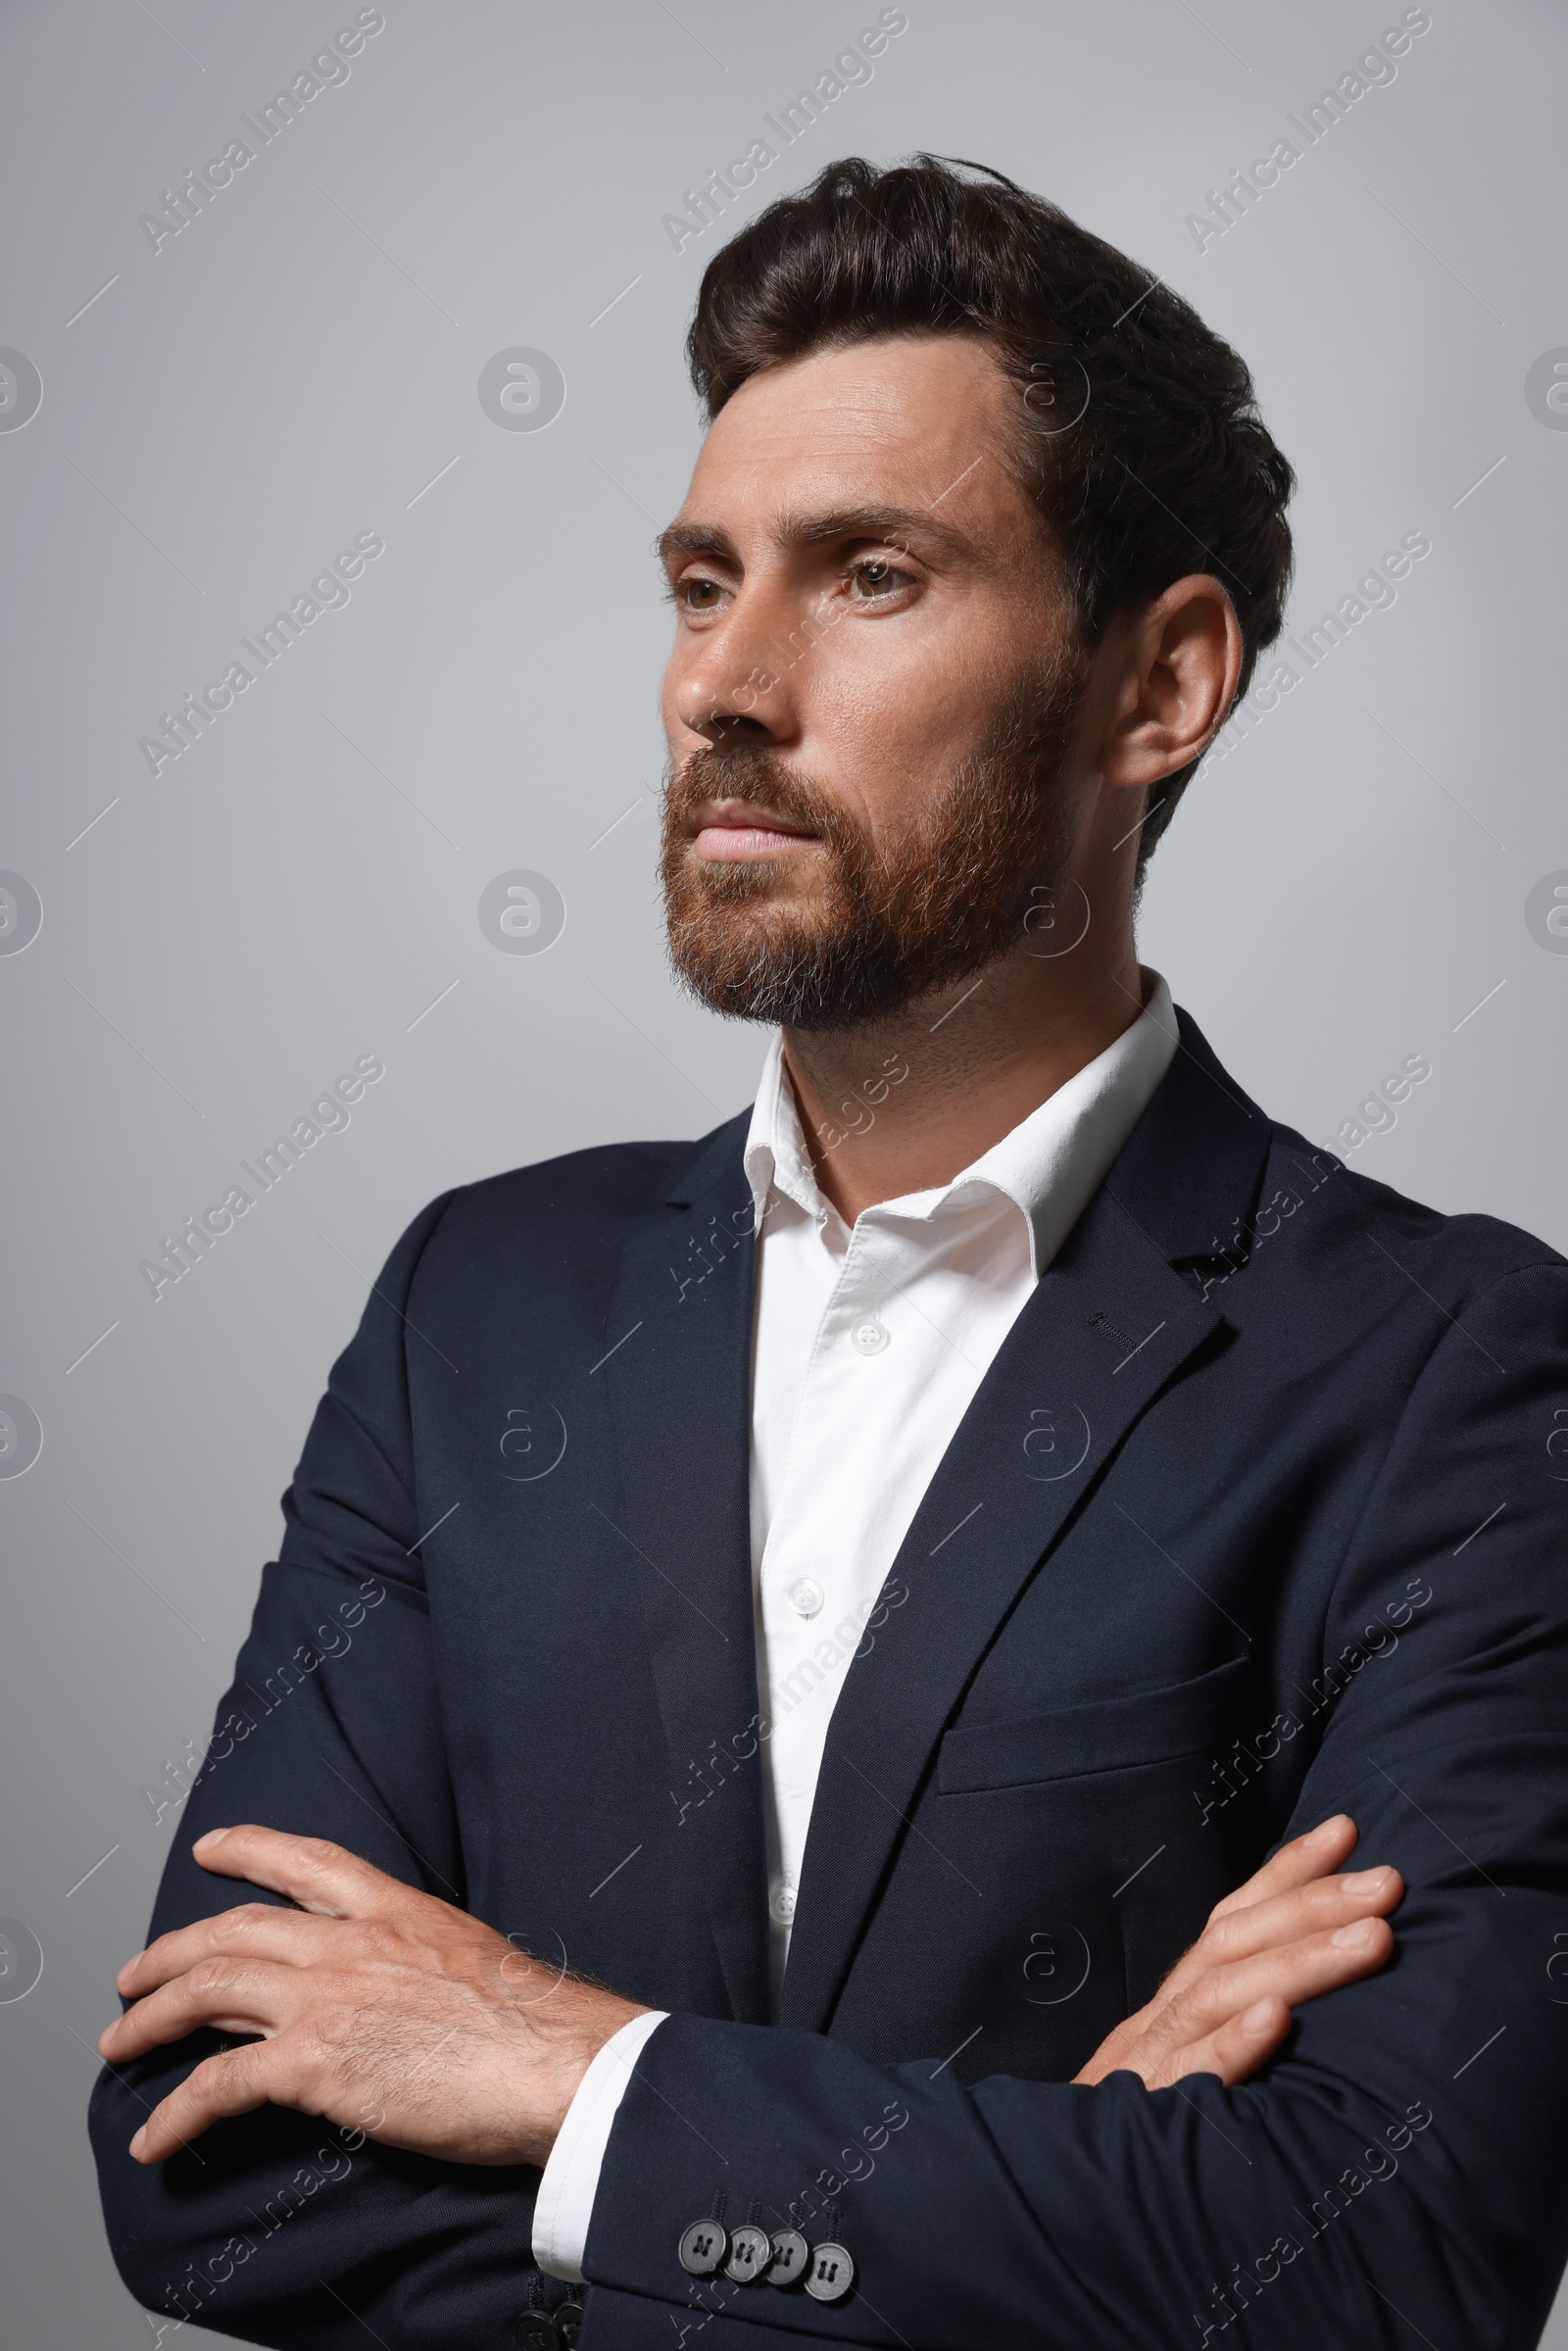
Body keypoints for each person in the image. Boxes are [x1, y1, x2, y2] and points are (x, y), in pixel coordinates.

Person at [90, 155, 1568, 2350]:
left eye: (868, 575)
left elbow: (1375, 2257)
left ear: (1155, 685)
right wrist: (1043, 2197)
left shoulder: (1453, 1373)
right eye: (701, 582)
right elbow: (208, 2168)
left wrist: (558, 2074)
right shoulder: (477, 1305)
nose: (722, 686)